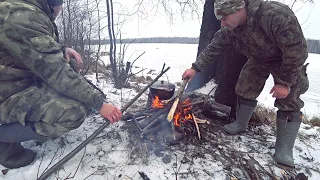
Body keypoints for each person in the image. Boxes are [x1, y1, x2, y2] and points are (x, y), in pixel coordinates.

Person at [182, 0, 309, 168]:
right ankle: (241, 123)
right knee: (244, 87)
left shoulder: (274, 14)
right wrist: (195, 68)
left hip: (287, 61)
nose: (222, 23)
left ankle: (284, 147)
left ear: (239, 9)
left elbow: (297, 51)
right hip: (259, 59)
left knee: (290, 99)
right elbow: (214, 48)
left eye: (225, 17)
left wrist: (284, 82)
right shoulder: (230, 30)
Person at [0, 0, 122, 169]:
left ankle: (30, 126)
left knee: (73, 82)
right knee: (74, 112)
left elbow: (29, 47)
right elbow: (57, 72)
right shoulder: (22, 15)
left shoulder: (24, 9)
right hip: (6, 93)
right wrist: (99, 104)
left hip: (16, 82)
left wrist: (61, 49)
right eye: (61, 6)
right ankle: (4, 140)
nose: (60, 10)